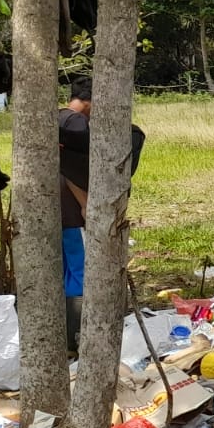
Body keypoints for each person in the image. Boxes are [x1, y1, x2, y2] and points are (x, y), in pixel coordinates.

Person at [59, 78, 146, 352]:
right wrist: (86, 203)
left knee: (68, 271)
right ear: (89, 101)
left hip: (58, 213)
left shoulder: (53, 120)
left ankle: (67, 334)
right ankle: (80, 338)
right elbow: (70, 170)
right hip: (74, 214)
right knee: (82, 273)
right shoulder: (74, 125)